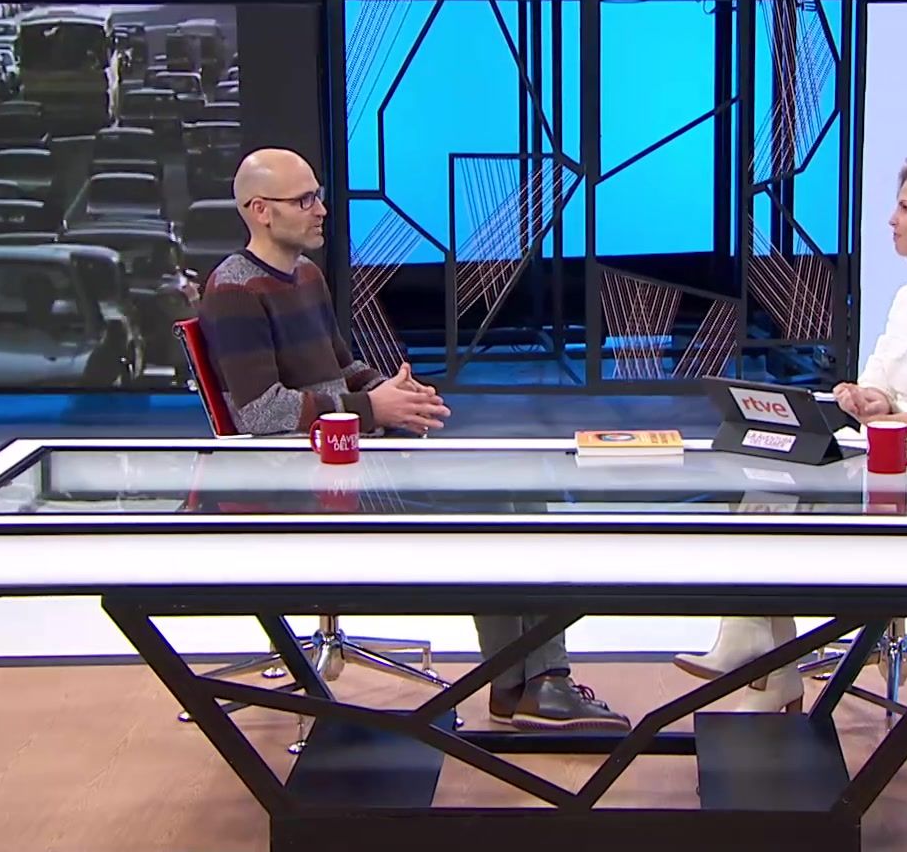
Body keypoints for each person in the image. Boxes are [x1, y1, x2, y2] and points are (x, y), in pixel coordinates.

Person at [196, 148, 630, 731]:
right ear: (260, 211)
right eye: (305, 200)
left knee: (523, 485)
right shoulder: (234, 290)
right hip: (305, 482)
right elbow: (260, 413)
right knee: (494, 501)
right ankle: (535, 685)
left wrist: (389, 391)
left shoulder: (307, 276)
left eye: (318, 195)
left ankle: (528, 685)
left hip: (352, 458)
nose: (322, 209)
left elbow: (341, 369)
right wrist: (371, 408)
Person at [674, 158, 907, 712]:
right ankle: (765, 663)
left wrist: (886, 422)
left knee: (778, 506)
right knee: (762, 492)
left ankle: (763, 660)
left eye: (905, 208)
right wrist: (865, 398)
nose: (892, 220)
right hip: (884, 459)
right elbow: (881, 384)